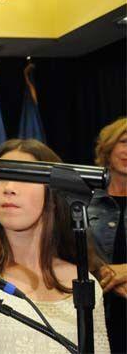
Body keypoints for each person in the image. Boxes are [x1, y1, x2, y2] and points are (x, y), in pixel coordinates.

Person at [0, 139, 110, 353]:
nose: (9, 188)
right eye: (1, 178)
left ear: (52, 194)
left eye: (22, 178)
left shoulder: (84, 284)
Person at [88, 117, 127, 353]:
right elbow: (65, 249)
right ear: (108, 147)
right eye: (123, 142)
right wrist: (102, 271)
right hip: (95, 314)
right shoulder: (84, 200)